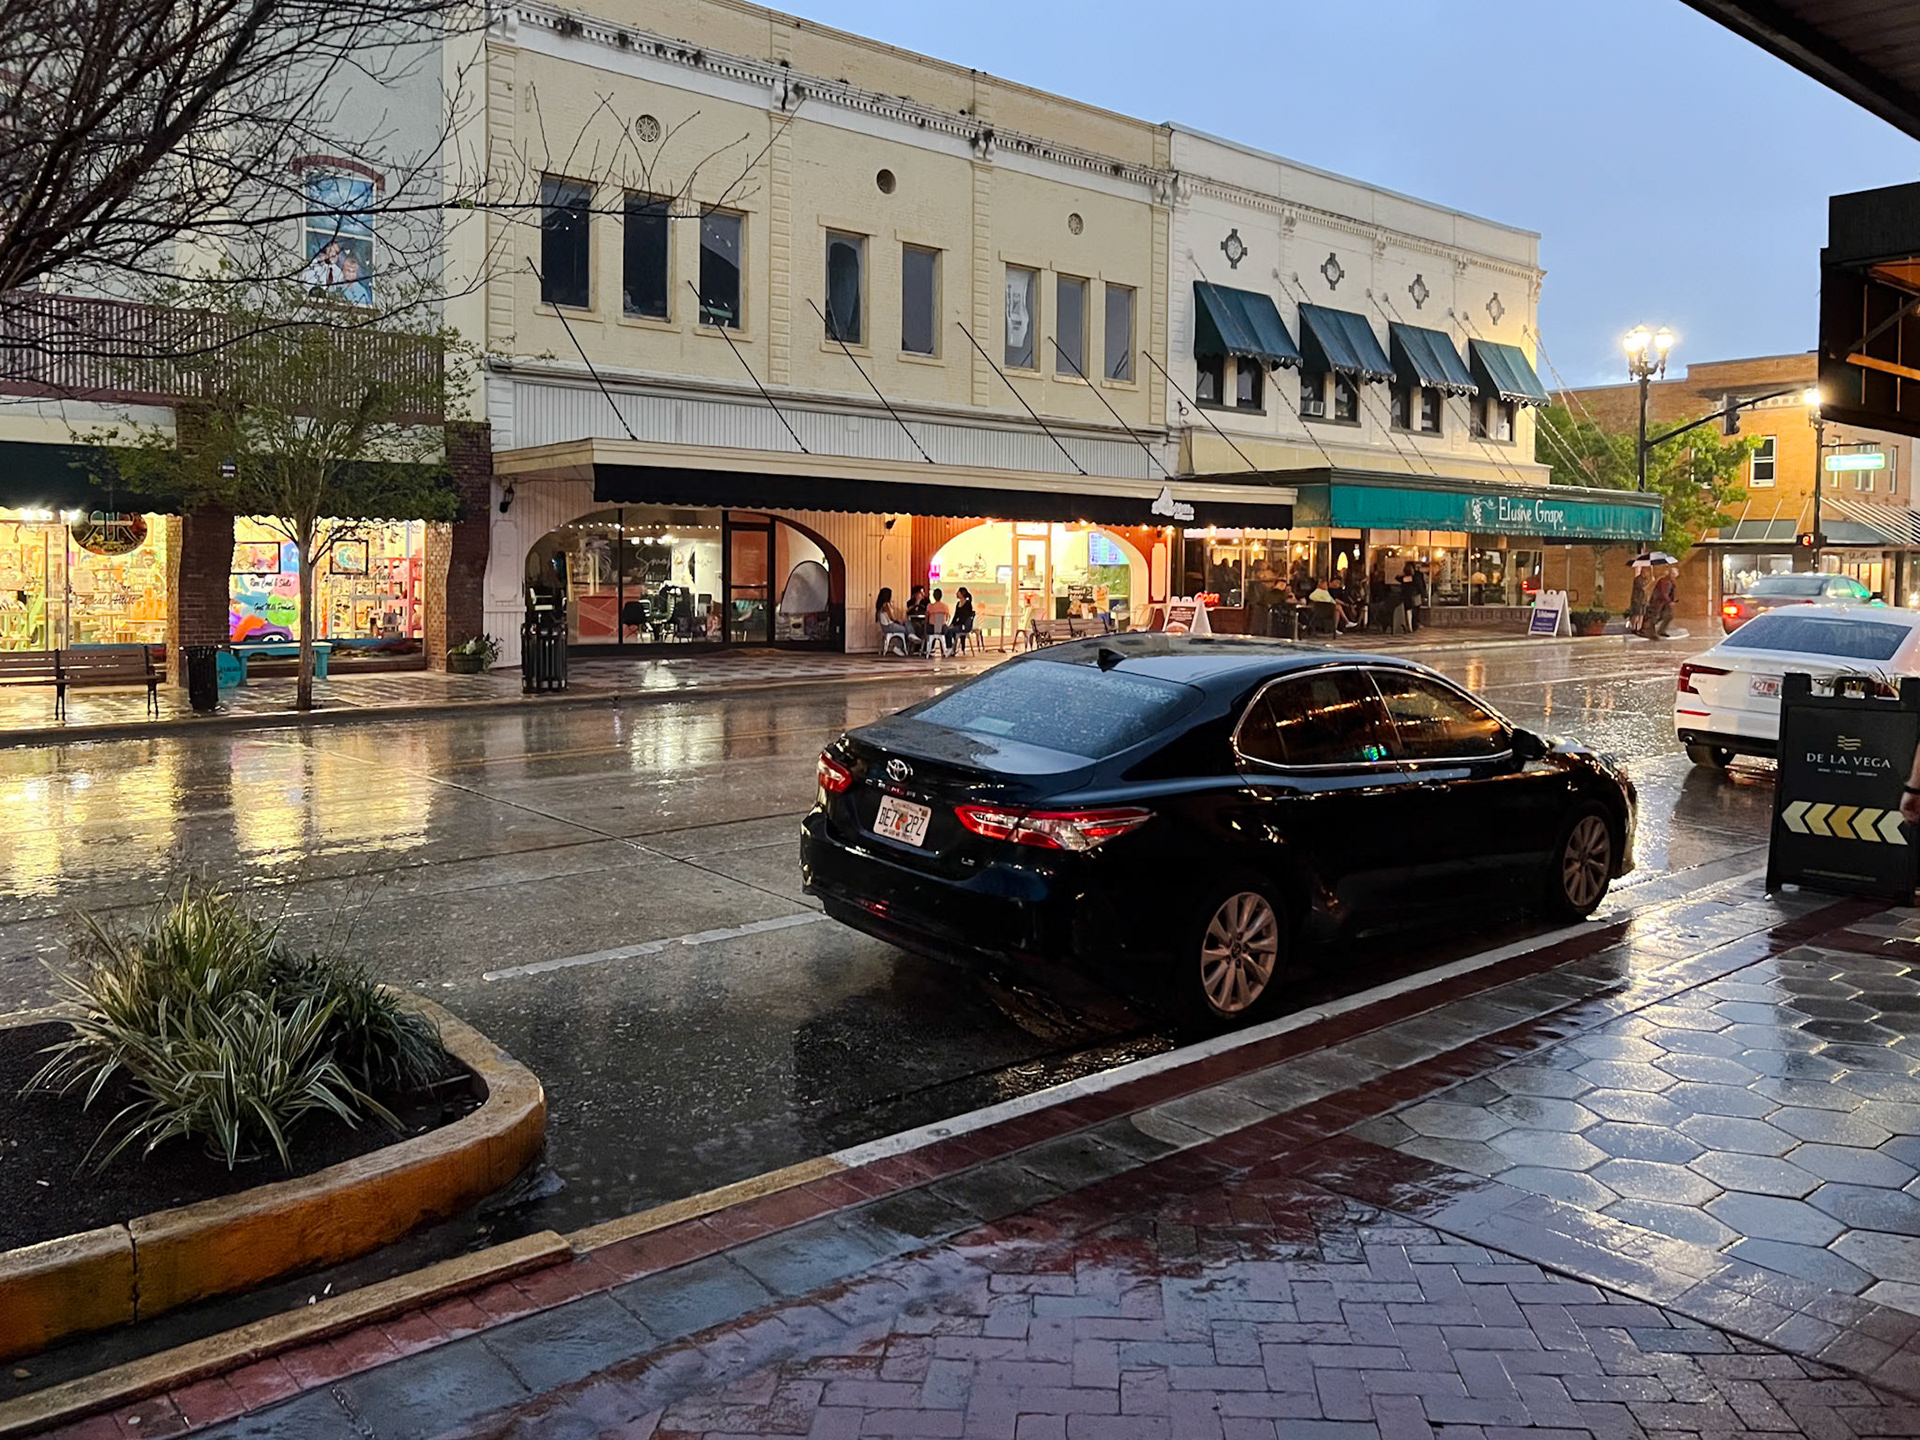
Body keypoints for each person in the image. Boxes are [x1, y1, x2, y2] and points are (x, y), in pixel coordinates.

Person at [875, 587, 912, 653]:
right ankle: (899, 647)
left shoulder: (880, 606)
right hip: (890, 626)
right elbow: (892, 617)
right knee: (905, 629)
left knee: (905, 627)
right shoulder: (886, 605)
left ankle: (908, 639)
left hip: (885, 627)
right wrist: (899, 620)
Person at [1648, 566, 1677, 639]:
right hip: (1658, 601)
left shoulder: (1671, 581)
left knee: (1669, 616)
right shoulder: (1663, 581)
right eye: (1672, 574)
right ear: (1669, 573)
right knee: (1655, 616)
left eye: (1674, 575)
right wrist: (1669, 601)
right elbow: (1663, 593)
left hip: (1665, 602)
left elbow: (1670, 592)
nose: (1673, 576)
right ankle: (1651, 632)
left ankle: (1662, 630)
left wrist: (1672, 600)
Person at [949, 587, 977, 652]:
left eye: (958, 592)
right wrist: (952, 624)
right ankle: (950, 647)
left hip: (963, 626)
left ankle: (951, 648)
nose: (956, 593)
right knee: (948, 630)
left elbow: (964, 617)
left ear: (962, 594)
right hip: (958, 624)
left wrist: (956, 624)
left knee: (950, 630)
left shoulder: (968, 604)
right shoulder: (958, 604)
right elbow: (956, 616)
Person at [927, 587, 953, 652]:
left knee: (927, 629)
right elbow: (947, 617)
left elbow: (927, 617)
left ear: (933, 596)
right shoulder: (945, 606)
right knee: (949, 631)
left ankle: (930, 647)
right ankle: (948, 648)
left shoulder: (930, 606)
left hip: (932, 629)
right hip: (943, 629)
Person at [1628, 566, 1651, 638]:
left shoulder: (1645, 579)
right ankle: (1633, 628)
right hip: (1637, 600)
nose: (1647, 573)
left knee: (1642, 615)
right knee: (1636, 614)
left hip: (1643, 600)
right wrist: (1651, 582)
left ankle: (1639, 628)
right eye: (1645, 572)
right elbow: (1643, 588)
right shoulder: (1638, 579)